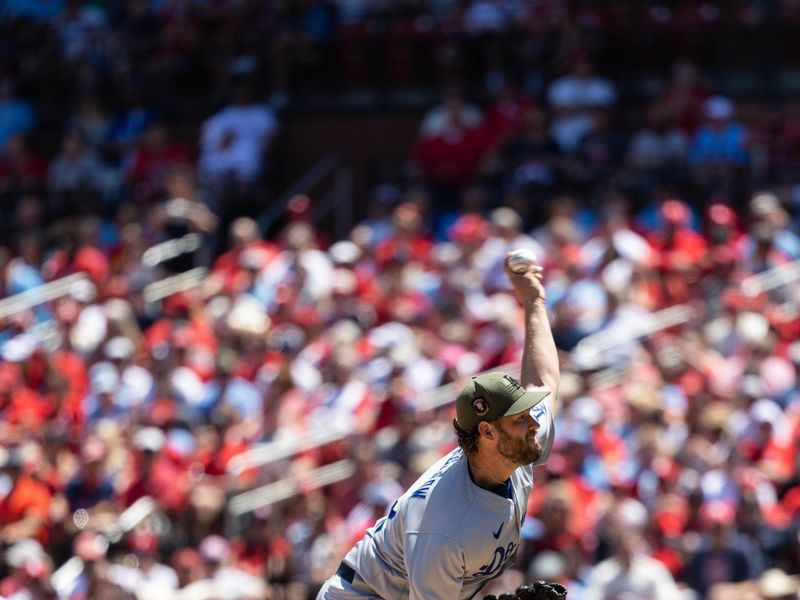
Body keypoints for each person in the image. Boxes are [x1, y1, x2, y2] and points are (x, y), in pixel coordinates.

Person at [316, 254, 560, 599]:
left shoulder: (517, 445)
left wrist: (534, 301)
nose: (532, 422)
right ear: (487, 432)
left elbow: (542, 379)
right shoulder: (443, 523)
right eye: (519, 418)